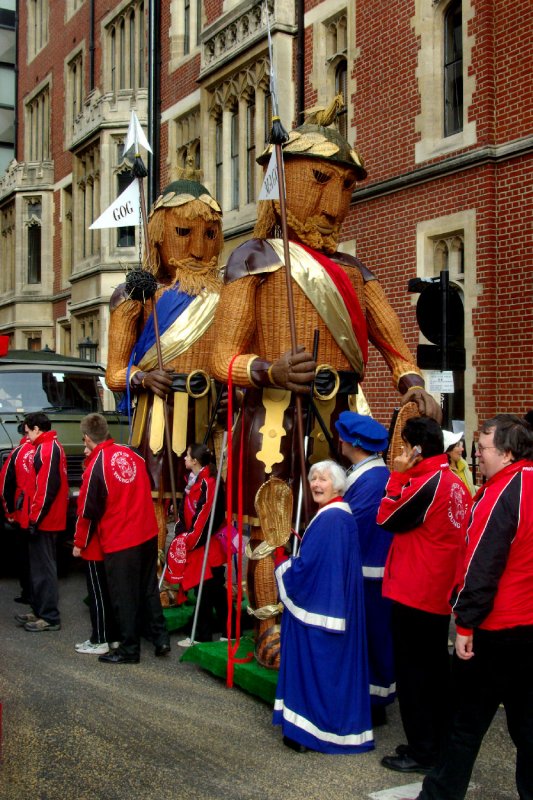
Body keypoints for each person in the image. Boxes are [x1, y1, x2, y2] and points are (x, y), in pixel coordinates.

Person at [210, 102, 441, 663]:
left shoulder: (358, 272)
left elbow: (394, 345)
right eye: (319, 180)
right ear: (284, 176)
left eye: (344, 185)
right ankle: (270, 625)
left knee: (338, 518)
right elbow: (222, 356)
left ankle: (332, 614)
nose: (336, 203)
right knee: (273, 519)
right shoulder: (253, 259)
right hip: (272, 415)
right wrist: (266, 369)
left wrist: (412, 382)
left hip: (344, 411)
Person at [416, 414, 533, 800]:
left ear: (507, 452)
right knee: (527, 725)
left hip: (496, 628)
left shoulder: (503, 493)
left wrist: (465, 624)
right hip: (526, 627)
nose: (476, 455)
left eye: (483, 449)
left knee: (464, 724)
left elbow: (481, 566)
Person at [105, 178, 224, 551]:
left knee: (213, 497)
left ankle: (196, 576)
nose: (197, 248)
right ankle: (156, 580)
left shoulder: (228, 294)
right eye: (184, 232)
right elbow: (113, 373)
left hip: (214, 414)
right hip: (159, 413)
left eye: (209, 234)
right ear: (159, 235)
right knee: (157, 497)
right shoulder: (136, 295)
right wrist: (141, 377)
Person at [376, 416, 470, 774]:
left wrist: (397, 476)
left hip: (416, 590)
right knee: (433, 670)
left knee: (414, 674)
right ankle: (437, 740)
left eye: (403, 447)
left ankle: (422, 749)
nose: (399, 453)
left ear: (415, 450)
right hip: (437, 589)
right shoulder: (453, 480)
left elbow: (386, 518)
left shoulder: (426, 482)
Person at [273, 459, 373, 754]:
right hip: (334, 606)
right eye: (314, 478)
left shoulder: (331, 519)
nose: (316, 484)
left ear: (337, 485)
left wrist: (283, 565)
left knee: (317, 670)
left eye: (323, 480)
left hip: (320, 609)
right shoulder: (337, 515)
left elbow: (314, 569)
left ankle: (309, 733)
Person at [75, 413, 170, 664]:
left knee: (123, 596)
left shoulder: (96, 465)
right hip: (147, 531)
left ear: (87, 438)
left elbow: (88, 510)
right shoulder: (132, 452)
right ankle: (161, 639)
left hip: (121, 538)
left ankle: (129, 650)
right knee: (149, 587)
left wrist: (79, 542)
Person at [335, 411, 395, 724]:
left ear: (354, 442)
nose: (339, 439)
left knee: (373, 638)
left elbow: (349, 525)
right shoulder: (369, 474)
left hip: (370, 573)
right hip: (370, 570)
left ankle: (374, 703)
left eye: (343, 435)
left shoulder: (371, 480)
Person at [163, 443, 227, 645]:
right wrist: (181, 533)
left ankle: (202, 635)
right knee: (215, 590)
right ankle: (229, 631)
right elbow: (183, 512)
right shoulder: (194, 481)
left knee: (206, 590)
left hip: (207, 544)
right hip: (198, 541)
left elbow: (205, 516)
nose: (184, 459)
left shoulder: (209, 483)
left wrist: (189, 540)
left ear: (195, 461)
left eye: (187, 456)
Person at [14, 412, 68, 633]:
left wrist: (34, 518)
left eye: (27, 431)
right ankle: (40, 610)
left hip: (45, 519)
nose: (27, 437)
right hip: (47, 517)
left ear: (36, 429)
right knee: (39, 568)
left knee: (44, 569)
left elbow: (46, 489)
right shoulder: (50, 447)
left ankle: (49, 616)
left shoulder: (46, 450)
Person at [72, 439, 120, 655]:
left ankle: (99, 638)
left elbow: (85, 514)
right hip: (106, 539)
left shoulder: (93, 472)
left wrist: (78, 543)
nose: (83, 450)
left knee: (97, 594)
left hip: (93, 544)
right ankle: (113, 636)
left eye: (86, 446)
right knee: (108, 593)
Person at [0, 426, 34, 605]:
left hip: (22, 515)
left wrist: (9, 512)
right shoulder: (51, 449)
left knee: (24, 555)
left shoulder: (17, 453)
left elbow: (5, 484)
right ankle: (40, 594)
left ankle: (28, 593)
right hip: (43, 514)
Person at [443, 430, 476, 496]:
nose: (462, 449)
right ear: (448, 450)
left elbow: (469, 487)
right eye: (458, 446)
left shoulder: (463, 464)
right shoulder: (444, 473)